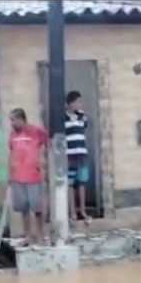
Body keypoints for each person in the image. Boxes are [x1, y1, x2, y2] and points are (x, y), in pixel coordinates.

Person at [8, 108, 49, 246]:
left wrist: (43, 162)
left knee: (37, 208)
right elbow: (11, 153)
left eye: (13, 120)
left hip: (33, 176)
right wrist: (10, 173)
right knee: (23, 208)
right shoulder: (13, 135)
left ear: (21, 119)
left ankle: (40, 235)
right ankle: (27, 235)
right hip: (18, 177)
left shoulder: (36, 132)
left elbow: (48, 142)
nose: (11, 123)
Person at [65, 90, 92, 225]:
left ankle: (83, 210)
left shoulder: (82, 117)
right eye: (78, 102)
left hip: (82, 154)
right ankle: (72, 212)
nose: (80, 104)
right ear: (71, 103)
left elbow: (84, 128)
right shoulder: (63, 118)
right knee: (70, 184)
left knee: (82, 183)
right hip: (70, 155)